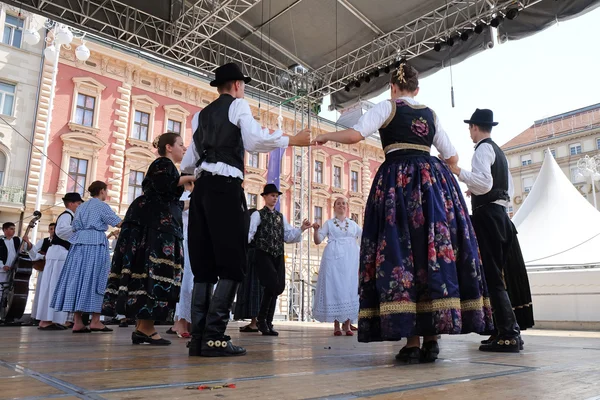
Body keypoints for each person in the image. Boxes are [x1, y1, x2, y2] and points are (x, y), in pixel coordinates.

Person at [311, 62, 493, 364]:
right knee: (429, 254)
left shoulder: (388, 107)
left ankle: (412, 342)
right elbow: (451, 155)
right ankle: (432, 338)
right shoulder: (430, 114)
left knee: (401, 256)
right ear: (417, 89)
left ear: (392, 88)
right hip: (430, 188)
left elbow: (357, 135)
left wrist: (327, 136)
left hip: (397, 186)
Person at [181, 62, 311, 357]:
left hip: (201, 189)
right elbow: (253, 140)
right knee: (231, 262)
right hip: (225, 189)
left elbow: (188, 161)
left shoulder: (199, 116)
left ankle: (199, 338)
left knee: (203, 267)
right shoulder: (238, 106)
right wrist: (291, 139)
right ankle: (214, 337)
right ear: (238, 85)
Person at [448, 109, 533, 353]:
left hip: (488, 218)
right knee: (497, 276)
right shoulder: (499, 152)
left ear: (475, 127)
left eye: (470, 128)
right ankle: (503, 329)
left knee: (493, 277)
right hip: (501, 217)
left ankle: (508, 334)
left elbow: (485, 183)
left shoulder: (482, 150)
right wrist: (476, 188)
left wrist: (458, 172)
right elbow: (504, 187)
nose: (470, 133)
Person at [103, 132, 194, 345]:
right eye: (181, 144)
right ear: (169, 147)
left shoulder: (167, 173)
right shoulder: (163, 163)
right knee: (151, 272)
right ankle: (146, 328)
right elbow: (166, 187)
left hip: (154, 222)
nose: (184, 148)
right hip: (153, 228)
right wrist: (190, 178)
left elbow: (173, 203)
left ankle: (143, 327)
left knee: (147, 272)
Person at [51, 182, 122, 333]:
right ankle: (95, 320)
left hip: (78, 243)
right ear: (102, 191)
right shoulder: (102, 206)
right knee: (97, 278)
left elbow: (75, 226)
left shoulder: (81, 207)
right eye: (106, 191)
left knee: (78, 279)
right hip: (95, 242)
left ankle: (77, 322)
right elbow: (118, 222)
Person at [248, 184, 311, 336]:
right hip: (263, 253)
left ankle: (268, 322)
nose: (274, 198)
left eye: (276, 196)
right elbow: (250, 233)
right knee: (271, 284)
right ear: (264, 197)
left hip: (277, 254)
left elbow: (288, 236)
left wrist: (301, 228)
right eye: (271, 195)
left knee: (278, 287)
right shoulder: (257, 215)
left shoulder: (280, 217)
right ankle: (262, 320)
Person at [312, 198, 362, 336]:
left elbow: (364, 237)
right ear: (334, 207)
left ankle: (347, 325)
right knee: (335, 287)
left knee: (350, 288)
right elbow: (318, 240)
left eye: (343, 203)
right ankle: (336, 325)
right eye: (338, 203)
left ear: (347, 207)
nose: (341, 205)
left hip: (351, 260)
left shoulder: (353, 224)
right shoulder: (329, 223)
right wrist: (316, 231)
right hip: (333, 259)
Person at [36, 193, 83, 330]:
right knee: (54, 286)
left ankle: (50, 319)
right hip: (59, 254)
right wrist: (78, 229)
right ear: (71, 204)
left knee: (54, 286)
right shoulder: (67, 215)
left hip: (59, 254)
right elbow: (62, 231)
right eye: (78, 204)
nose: (79, 206)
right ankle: (46, 320)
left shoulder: (69, 216)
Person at [167, 177, 194, 339]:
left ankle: (184, 320)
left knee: (191, 281)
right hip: (186, 242)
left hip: (194, 241)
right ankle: (181, 321)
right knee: (186, 281)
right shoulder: (183, 198)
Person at [233, 208, 262, 333]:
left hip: (251, 257)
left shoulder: (253, 223)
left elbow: (248, 237)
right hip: (256, 257)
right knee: (255, 289)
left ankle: (254, 323)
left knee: (252, 289)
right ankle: (255, 322)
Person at [0, 222, 33, 307]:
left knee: (10, 293)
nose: (14, 231)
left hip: (15, 270)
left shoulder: (18, 240)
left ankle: (6, 313)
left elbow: (29, 249)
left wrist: (28, 242)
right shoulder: (0, 241)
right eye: (11, 229)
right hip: (2, 271)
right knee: (1, 292)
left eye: (14, 229)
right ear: (5, 230)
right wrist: (2, 266)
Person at [29, 223, 55, 324]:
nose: (52, 231)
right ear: (48, 231)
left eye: (54, 229)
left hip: (55, 270)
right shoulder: (43, 241)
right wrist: (42, 257)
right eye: (51, 229)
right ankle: (37, 316)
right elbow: (33, 253)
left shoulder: (62, 242)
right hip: (44, 270)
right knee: (41, 292)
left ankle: (52, 317)